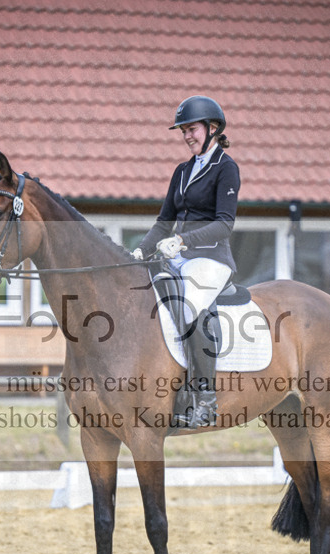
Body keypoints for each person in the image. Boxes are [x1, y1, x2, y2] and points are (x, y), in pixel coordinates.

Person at [133, 95, 240, 428]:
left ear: (211, 128)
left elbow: (225, 223)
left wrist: (183, 240)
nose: (187, 136)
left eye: (191, 129)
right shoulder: (182, 171)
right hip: (177, 257)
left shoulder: (226, 168)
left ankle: (205, 398)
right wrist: (139, 251)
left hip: (210, 259)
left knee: (190, 307)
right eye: (183, 131)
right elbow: (164, 220)